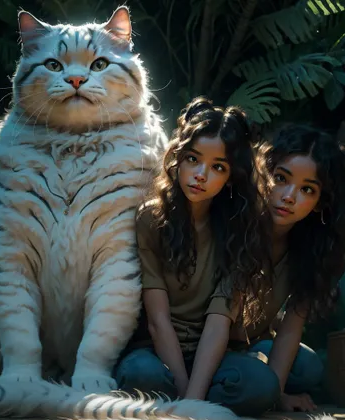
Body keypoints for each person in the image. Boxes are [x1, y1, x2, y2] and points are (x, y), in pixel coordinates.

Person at [113, 97, 271, 403]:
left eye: (218, 167)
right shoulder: (151, 218)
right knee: (141, 375)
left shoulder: (242, 229)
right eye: (192, 159)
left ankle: (188, 397)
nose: (201, 174)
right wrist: (188, 395)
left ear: (230, 178)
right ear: (178, 158)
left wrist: (192, 399)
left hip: (211, 352)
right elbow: (157, 321)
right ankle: (192, 395)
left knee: (261, 385)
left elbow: (218, 324)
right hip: (155, 350)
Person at [204, 124, 345, 415]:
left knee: (309, 368)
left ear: (319, 203)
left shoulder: (309, 249)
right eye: (280, 178)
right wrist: (270, 391)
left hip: (246, 345)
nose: (289, 196)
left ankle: (248, 379)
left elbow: (290, 329)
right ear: (263, 172)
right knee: (259, 384)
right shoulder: (240, 222)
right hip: (201, 340)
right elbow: (215, 321)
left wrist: (274, 394)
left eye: (307, 189)